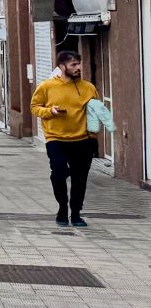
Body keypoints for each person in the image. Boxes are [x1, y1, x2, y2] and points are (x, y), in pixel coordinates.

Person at [30, 49, 101, 228]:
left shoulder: (88, 88)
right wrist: (49, 111)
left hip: (82, 140)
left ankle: (76, 213)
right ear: (62, 67)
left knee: (80, 179)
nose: (78, 68)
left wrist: (94, 135)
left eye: (79, 64)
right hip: (56, 139)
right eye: (73, 65)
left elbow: (96, 111)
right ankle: (62, 207)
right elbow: (34, 107)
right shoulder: (47, 86)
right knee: (59, 174)